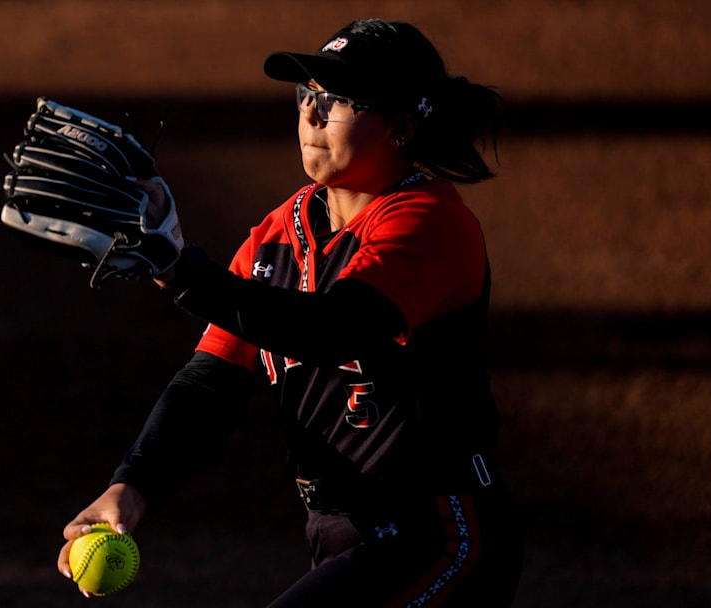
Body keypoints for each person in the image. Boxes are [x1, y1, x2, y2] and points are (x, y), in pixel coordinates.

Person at [57, 18, 523, 607]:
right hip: (338, 537)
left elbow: (335, 328)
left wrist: (181, 271)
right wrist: (132, 485)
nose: (311, 114)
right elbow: (212, 381)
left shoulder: (429, 222)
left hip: (438, 535)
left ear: (402, 125)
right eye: (306, 95)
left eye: (338, 100)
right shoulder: (277, 234)